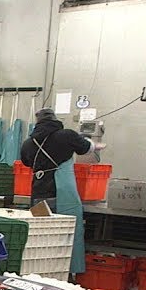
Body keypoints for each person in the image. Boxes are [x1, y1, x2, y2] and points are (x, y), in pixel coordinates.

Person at [20, 108, 104, 277]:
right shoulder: (66, 135)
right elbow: (87, 148)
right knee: (67, 236)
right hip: (63, 195)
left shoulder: (28, 143)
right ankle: (67, 275)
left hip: (38, 196)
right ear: (55, 120)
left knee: (42, 239)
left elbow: (26, 161)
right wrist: (98, 145)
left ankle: (41, 275)